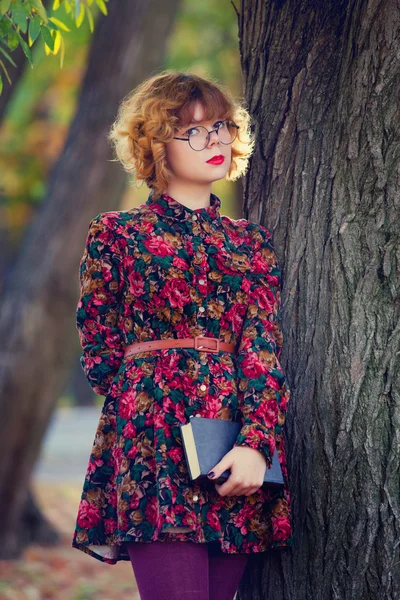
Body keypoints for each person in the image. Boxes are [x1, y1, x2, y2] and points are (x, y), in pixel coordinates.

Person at [72, 70, 293, 600]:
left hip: (232, 448)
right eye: (192, 131)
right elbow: (99, 350)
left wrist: (256, 446)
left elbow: (263, 349)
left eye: (220, 126)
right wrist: (151, 391)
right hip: (152, 446)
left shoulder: (251, 243)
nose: (213, 141)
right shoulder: (117, 233)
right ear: (155, 145)